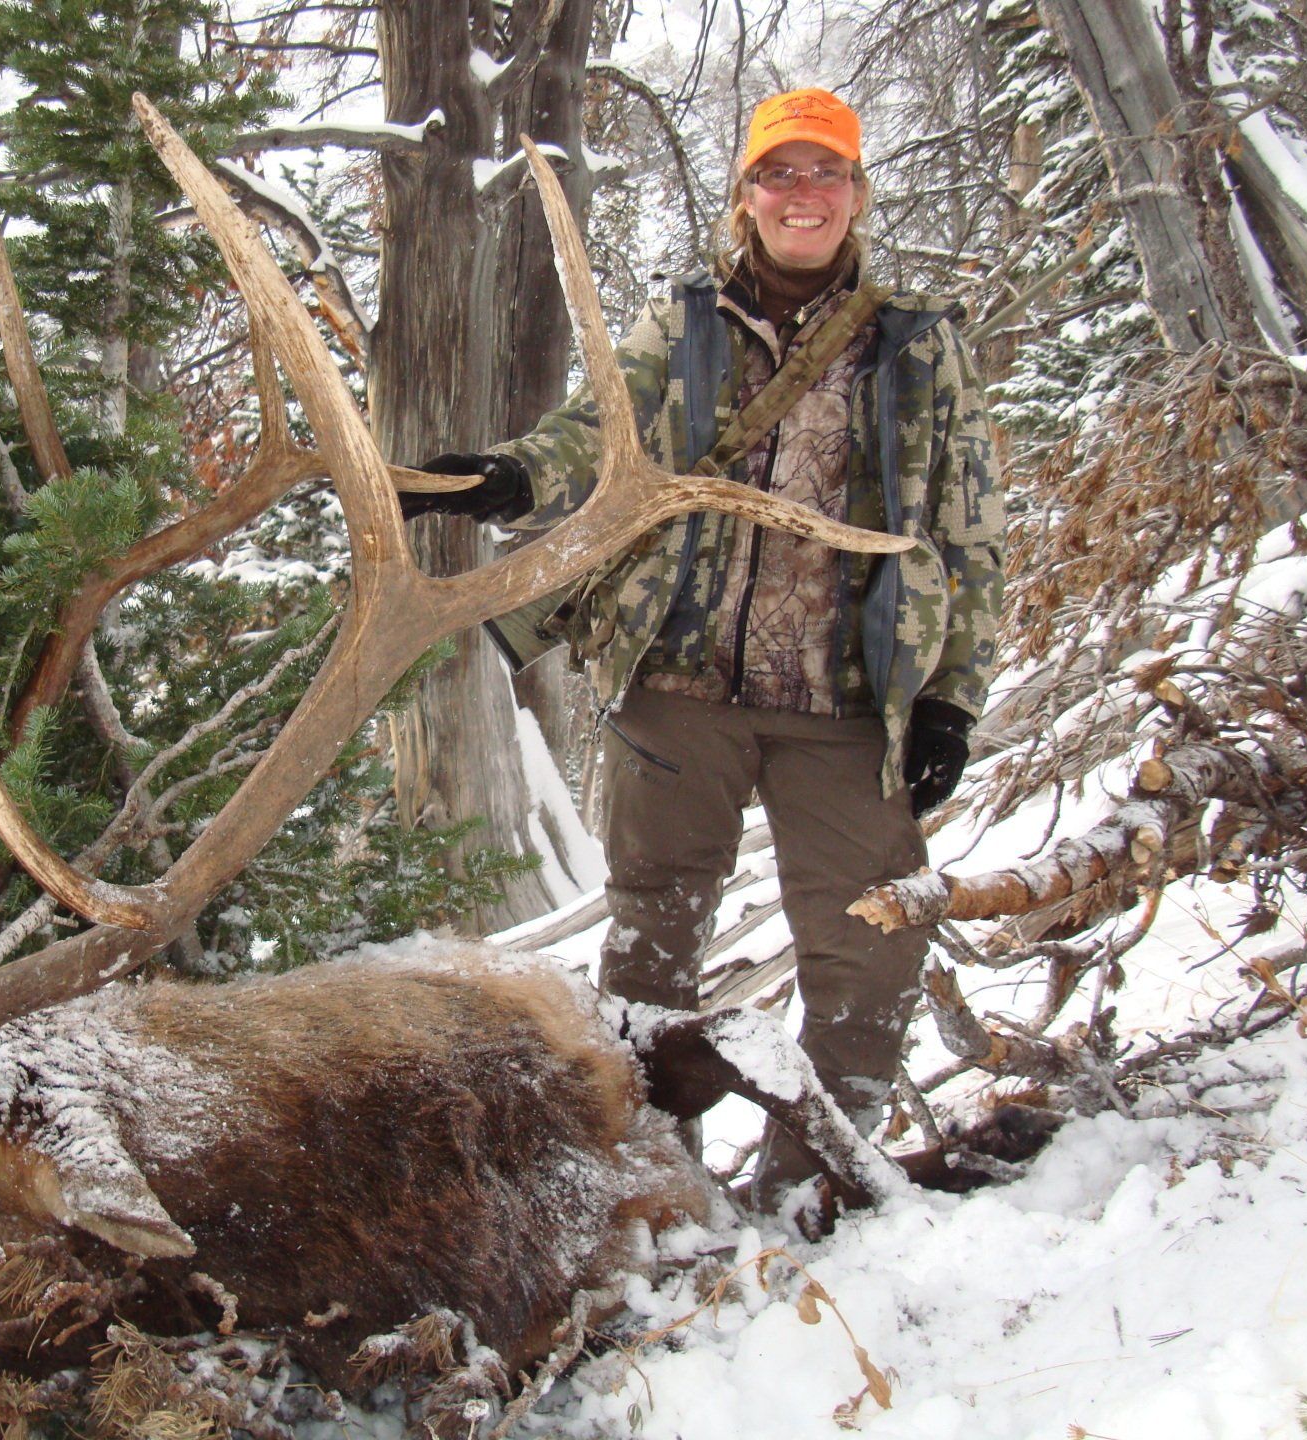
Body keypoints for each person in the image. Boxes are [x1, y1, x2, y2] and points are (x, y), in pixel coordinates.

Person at [401, 88, 1005, 1220]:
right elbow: (596, 432)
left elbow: (969, 533)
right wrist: (511, 476)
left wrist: (952, 701)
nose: (803, 195)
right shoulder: (682, 325)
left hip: (846, 703)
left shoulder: (921, 347)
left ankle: (808, 1193)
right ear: (748, 198)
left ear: (857, 196)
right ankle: (651, 1180)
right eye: (780, 175)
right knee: (652, 941)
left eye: (826, 174)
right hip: (678, 690)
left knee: (871, 951)